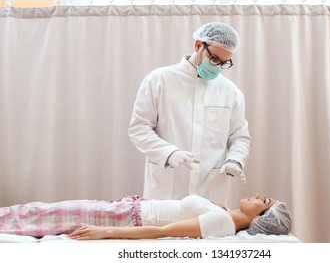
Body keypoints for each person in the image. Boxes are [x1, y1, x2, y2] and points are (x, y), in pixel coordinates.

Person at [128, 22, 251, 205]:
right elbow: (139, 128)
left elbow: (240, 136)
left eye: (224, 63)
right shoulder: (159, 80)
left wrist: (235, 160)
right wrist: (170, 154)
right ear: (198, 45)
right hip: (165, 193)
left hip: (209, 196)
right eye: (215, 59)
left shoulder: (230, 92)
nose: (218, 67)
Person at [0, 193, 292, 240]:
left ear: (260, 218)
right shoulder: (225, 214)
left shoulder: (222, 223)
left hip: (126, 219)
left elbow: (163, 231)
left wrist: (106, 232)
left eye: (262, 200)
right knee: (41, 212)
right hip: (130, 209)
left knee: (42, 214)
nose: (255, 194)